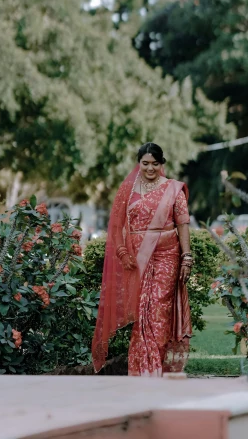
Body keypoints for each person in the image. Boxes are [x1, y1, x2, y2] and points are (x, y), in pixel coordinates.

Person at [92, 142, 192, 376]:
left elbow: (183, 224)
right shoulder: (127, 190)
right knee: (141, 314)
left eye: (155, 164)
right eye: (145, 163)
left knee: (159, 309)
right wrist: (122, 252)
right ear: (139, 164)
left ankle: (155, 366)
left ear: (162, 164)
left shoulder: (172, 189)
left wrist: (186, 256)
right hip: (137, 260)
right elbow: (116, 228)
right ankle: (141, 369)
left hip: (168, 256)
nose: (150, 168)